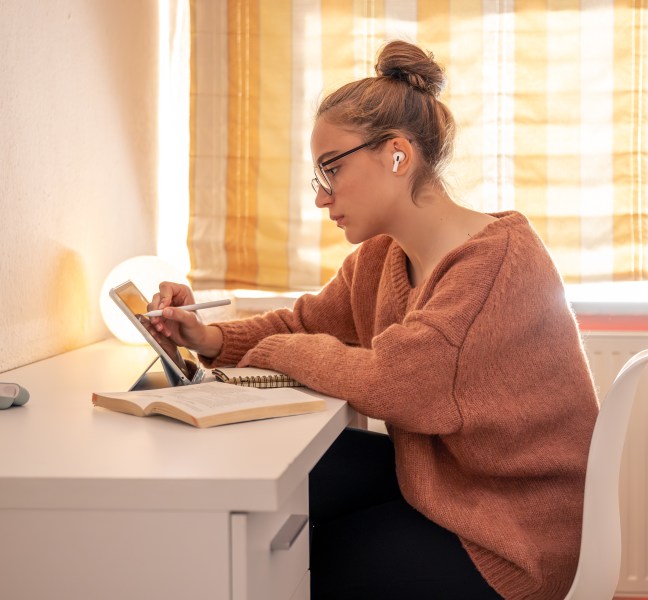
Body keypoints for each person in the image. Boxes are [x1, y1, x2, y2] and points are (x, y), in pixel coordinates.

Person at [148, 40, 599, 600]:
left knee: (295, 562)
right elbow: (307, 322)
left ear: (397, 155)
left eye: (330, 169)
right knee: (277, 501)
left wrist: (270, 353)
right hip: (450, 482)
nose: (321, 197)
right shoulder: (383, 257)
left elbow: (395, 384)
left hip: (512, 532)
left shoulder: (494, 263)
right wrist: (210, 337)